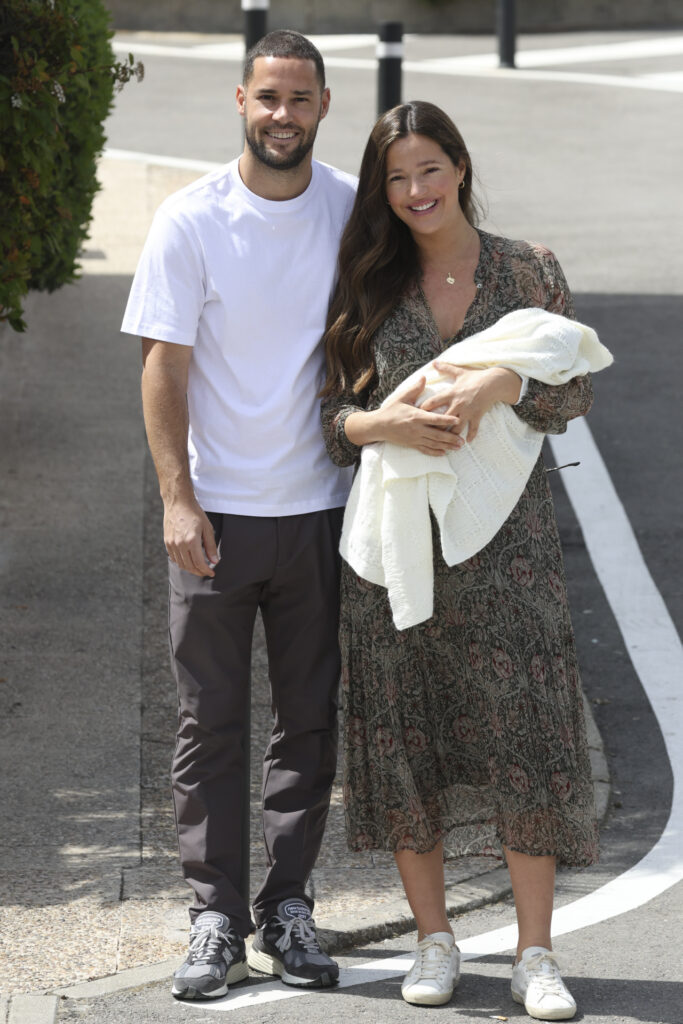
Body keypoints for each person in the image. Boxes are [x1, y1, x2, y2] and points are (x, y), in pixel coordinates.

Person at [321, 100, 600, 1021]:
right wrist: (382, 423)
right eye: (396, 179)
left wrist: (504, 380)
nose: (414, 193)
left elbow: (573, 397)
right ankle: (433, 941)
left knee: (526, 738)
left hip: (509, 555)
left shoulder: (527, 270)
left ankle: (534, 956)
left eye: (428, 170)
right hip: (396, 556)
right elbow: (332, 420)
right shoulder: (365, 277)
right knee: (405, 746)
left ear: (459, 165)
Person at [121, 30, 356, 1002]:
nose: (281, 116)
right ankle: (214, 915)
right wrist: (176, 498)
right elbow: (162, 366)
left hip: (320, 513)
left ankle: (286, 905)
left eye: (298, 100)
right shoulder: (190, 219)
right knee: (207, 724)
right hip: (214, 516)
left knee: (306, 721)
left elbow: (441, 241)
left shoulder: (348, 208)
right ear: (239, 100)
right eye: (267, 97)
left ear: (322, 107)